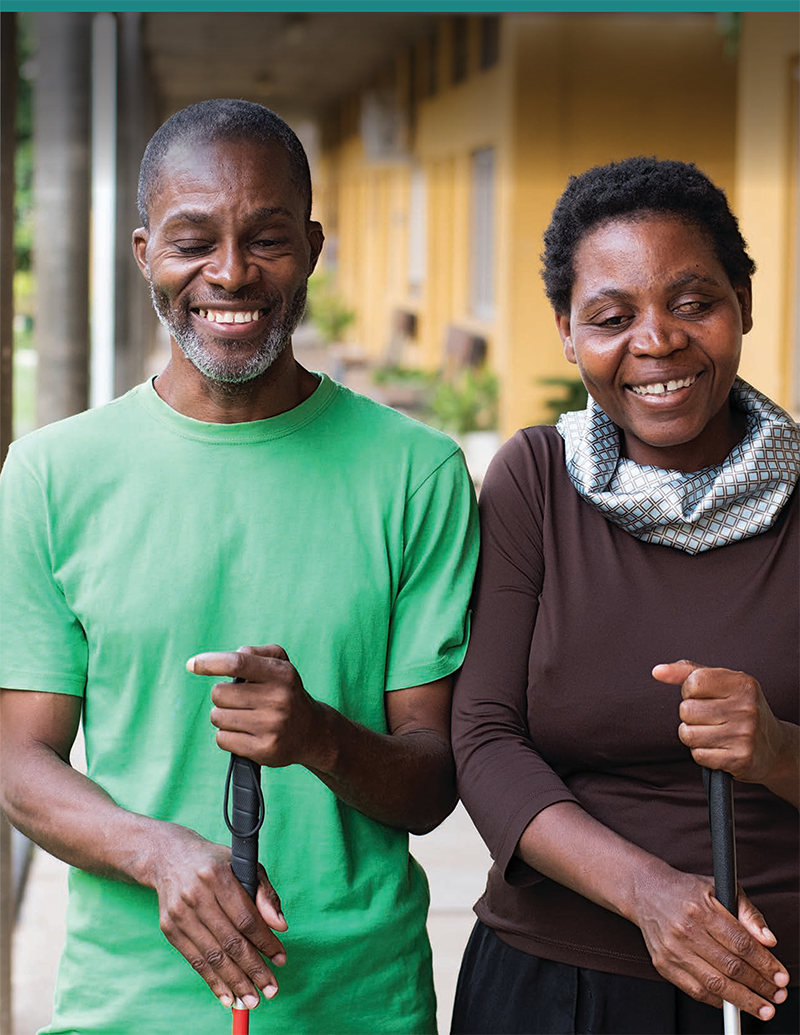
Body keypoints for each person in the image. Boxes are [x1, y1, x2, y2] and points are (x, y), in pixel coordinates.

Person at [0, 99, 478, 1035]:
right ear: (144, 253)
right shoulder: (51, 475)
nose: (228, 273)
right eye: (192, 242)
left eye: (266, 239)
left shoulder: (417, 472)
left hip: (361, 1006)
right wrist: (158, 854)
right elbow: (21, 759)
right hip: (126, 1010)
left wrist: (319, 736)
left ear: (312, 247)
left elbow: (433, 783)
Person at [450, 156, 800, 1035]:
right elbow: (484, 738)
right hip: (559, 984)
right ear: (568, 333)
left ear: (745, 303)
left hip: (779, 978)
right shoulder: (534, 478)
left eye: (693, 303)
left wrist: (776, 749)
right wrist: (652, 896)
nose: (658, 341)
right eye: (612, 317)